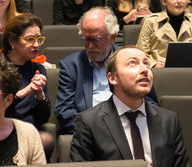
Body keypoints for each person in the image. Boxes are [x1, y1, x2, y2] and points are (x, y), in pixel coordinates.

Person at [55, 7, 158, 135]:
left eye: (97, 40)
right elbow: (64, 111)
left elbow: (151, 103)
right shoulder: (71, 65)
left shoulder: (132, 60)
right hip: (88, 133)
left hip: (129, 129)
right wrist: (95, 132)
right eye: (86, 39)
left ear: (113, 37)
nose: (90, 46)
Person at [0, 14, 54, 159]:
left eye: (39, 39)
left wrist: (39, 96)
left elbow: (43, 118)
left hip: (26, 130)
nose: (36, 44)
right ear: (12, 41)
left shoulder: (38, 68)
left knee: (46, 140)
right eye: (30, 39)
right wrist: (27, 91)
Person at [137, 0, 192, 68]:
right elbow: (141, 53)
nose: (179, 1)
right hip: (160, 73)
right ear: (164, 1)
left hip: (190, 72)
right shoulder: (151, 21)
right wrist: (154, 64)